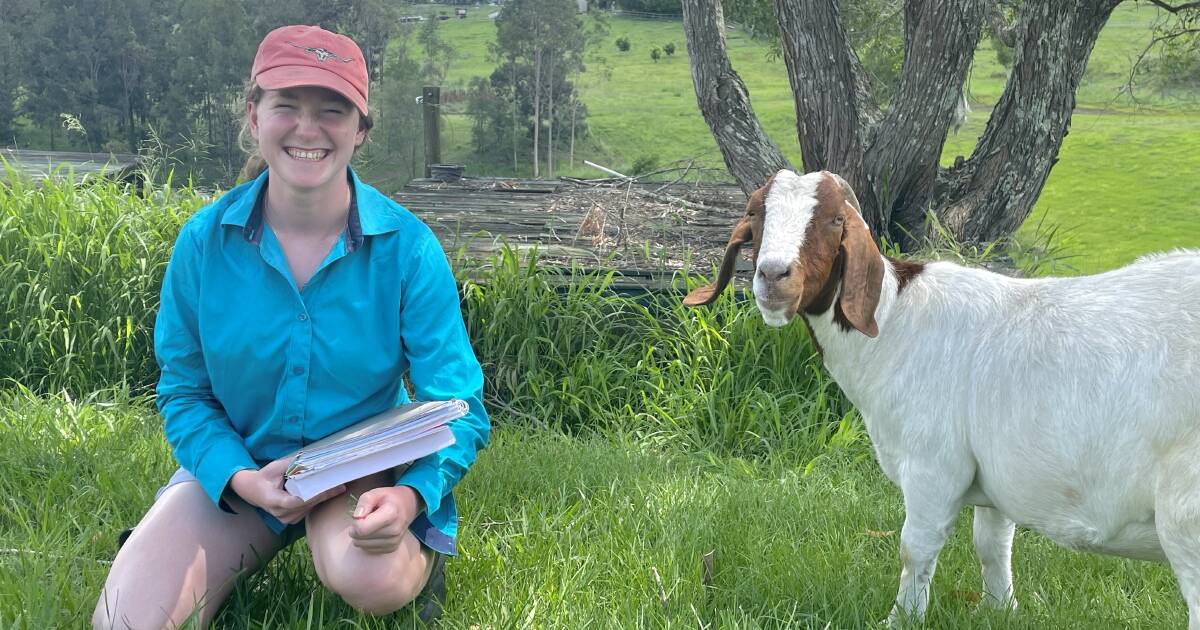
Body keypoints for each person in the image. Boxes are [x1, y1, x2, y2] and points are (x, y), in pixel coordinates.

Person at [92, 24, 489, 628]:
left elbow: (458, 405)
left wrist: (411, 497)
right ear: (254, 116)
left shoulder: (409, 250)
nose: (308, 129)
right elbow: (185, 392)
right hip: (243, 471)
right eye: (287, 106)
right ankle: (186, 534)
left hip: (360, 470)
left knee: (371, 578)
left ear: (360, 129)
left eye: (332, 110)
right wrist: (243, 480)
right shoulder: (203, 243)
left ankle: (421, 559)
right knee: (125, 622)